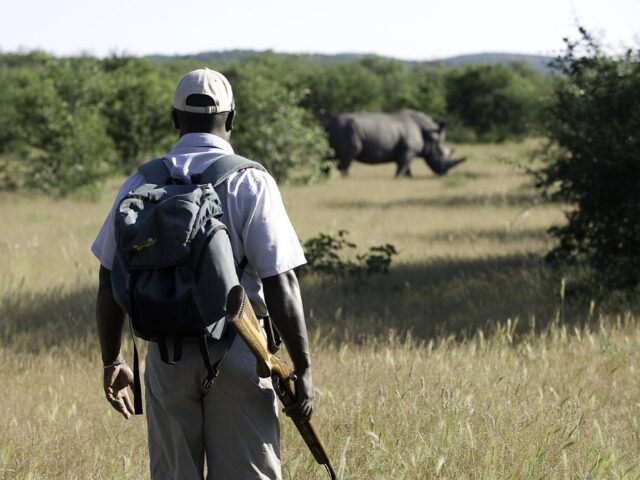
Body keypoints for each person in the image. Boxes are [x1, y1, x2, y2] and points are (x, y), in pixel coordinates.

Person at [92, 68, 314, 480]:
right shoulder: (251, 181)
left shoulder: (141, 181)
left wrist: (112, 360)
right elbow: (280, 280)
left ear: (175, 119)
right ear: (231, 119)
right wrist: (302, 368)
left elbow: (108, 280)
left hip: (165, 353)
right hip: (242, 349)